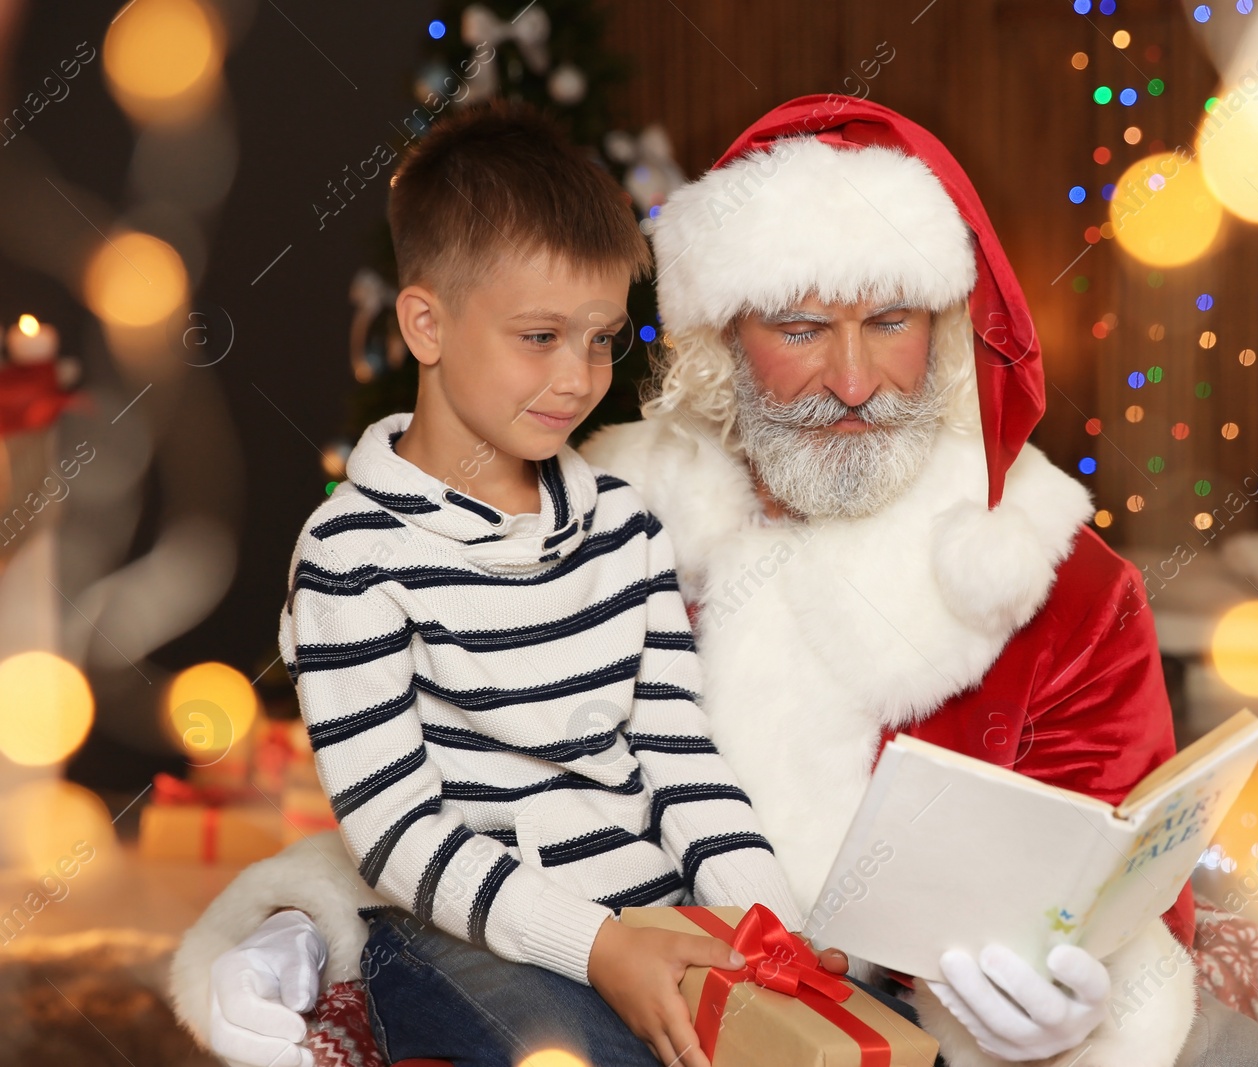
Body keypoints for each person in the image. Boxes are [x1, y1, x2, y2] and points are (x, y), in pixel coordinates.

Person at [171, 97, 1258, 1067]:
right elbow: (409, 808)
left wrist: (1049, 988)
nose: (851, 381)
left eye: (890, 320)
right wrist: (301, 924)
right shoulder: (611, 503)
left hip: (755, 948)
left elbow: (680, 758)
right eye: (800, 327)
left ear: (946, 328)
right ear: (722, 339)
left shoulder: (1054, 582)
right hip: (562, 936)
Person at [234, 99, 868, 1067]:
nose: (579, 376)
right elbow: (398, 830)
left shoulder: (623, 526)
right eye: (539, 336)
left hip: (649, 906)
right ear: (426, 323)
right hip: (460, 932)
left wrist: (768, 926)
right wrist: (599, 945)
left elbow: (681, 764)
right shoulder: (350, 553)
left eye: (602, 336)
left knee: (832, 1027)